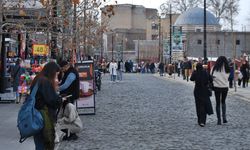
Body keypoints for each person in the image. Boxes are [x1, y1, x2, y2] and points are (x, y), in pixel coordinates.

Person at [30, 62, 62, 150]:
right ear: (52, 72)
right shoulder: (45, 81)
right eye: (56, 74)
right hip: (43, 116)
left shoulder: (38, 78)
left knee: (39, 142)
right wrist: (60, 100)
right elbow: (51, 99)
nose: (56, 76)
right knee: (44, 142)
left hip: (36, 114)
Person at [190, 63, 213, 127]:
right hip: (205, 91)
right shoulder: (205, 72)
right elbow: (211, 80)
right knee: (204, 105)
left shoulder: (195, 72)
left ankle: (199, 120)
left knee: (198, 105)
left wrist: (194, 73)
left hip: (197, 91)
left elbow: (191, 79)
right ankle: (203, 121)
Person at [211, 56, 230, 125]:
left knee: (218, 103)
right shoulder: (227, 68)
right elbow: (229, 77)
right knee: (223, 102)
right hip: (225, 87)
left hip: (217, 87)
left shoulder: (214, 68)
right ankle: (224, 118)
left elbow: (211, 76)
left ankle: (219, 120)